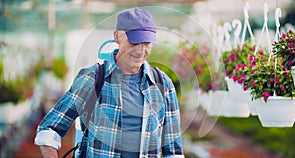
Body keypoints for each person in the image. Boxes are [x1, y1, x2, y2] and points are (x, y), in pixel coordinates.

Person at [34, 8, 184, 158]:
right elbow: (49, 129)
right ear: (117, 36)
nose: (141, 50)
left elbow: (173, 152)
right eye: (134, 41)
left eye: (147, 43)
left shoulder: (163, 84)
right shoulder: (92, 79)